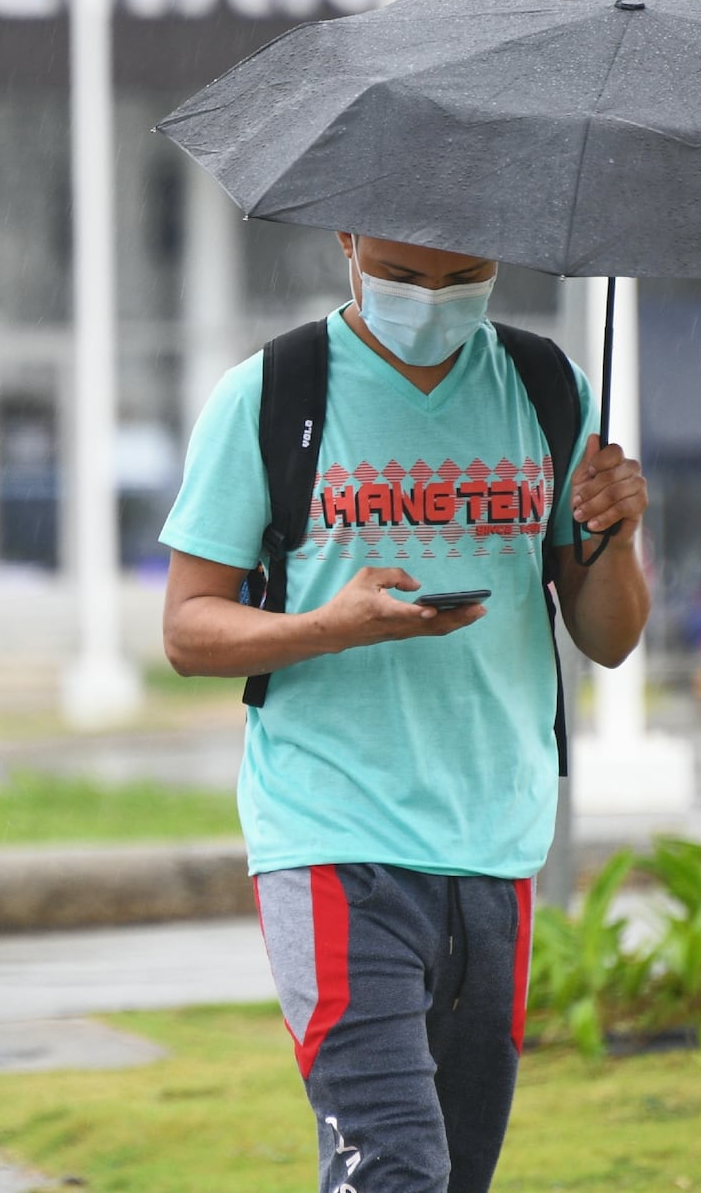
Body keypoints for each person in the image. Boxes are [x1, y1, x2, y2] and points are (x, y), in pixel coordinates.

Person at [160, 231, 649, 1193]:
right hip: (331, 841)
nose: (432, 301)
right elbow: (187, 629)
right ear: (346, 236)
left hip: (494, 846)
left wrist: (615, 540)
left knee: (453, 1175)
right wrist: (331, 626)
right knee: (393, 1167)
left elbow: (610, 636)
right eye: (401, 277)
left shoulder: (547, 388)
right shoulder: (272, 395)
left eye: (465, 278)